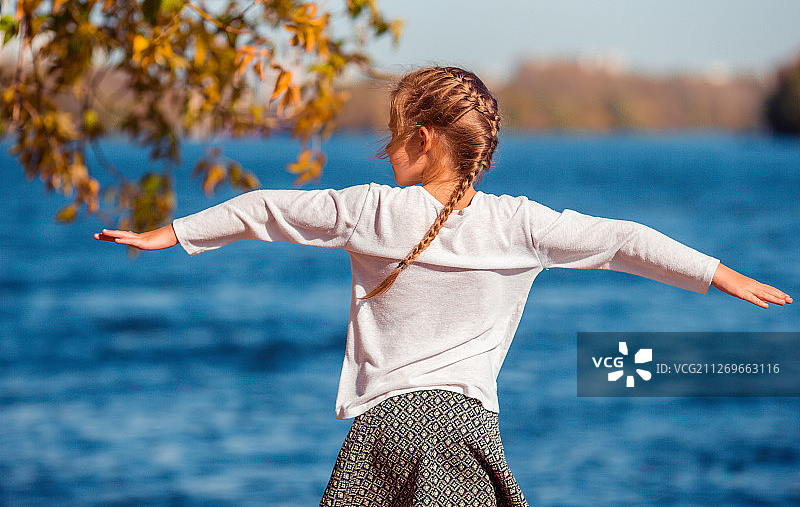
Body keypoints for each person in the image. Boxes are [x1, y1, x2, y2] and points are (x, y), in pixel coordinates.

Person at [94, 66, 791, 506]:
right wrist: (721, 274)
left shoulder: (372, 208)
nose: (384, 149)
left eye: (394, 135)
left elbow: (265, 208)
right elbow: (623, 239)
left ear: (425, 139)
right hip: (458, 429)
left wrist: (171, 234)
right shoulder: (518, 223)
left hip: (382, 432)